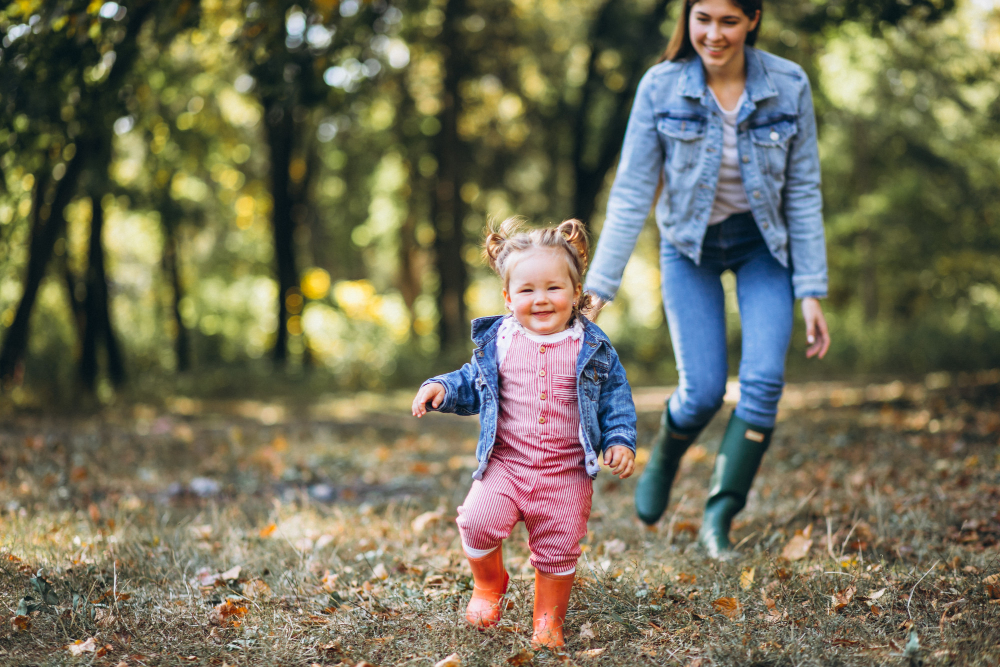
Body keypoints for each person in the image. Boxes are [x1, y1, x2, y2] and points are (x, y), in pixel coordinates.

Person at [583, 0, 831, 559]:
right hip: (687, 248)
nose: (714, 34)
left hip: (763, 248)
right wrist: (601, 285)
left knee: (764, 382)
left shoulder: (788, 85)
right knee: (702, 393)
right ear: (688, 18)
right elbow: (630, 192)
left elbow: (803, 190)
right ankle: (667, 455)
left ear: (753, 20)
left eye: (729, 21)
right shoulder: (660, 86)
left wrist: (811, 289)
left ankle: (720, 516)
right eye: (703, 19)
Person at [412, 218, 637, 648]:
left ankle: (548, 618)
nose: (541, 299)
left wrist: (620, 440)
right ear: (508, 297)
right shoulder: (499, 341)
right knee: (476, 522)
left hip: (565, 472)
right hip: (506, 464)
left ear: (575, 293)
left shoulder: (592, 347)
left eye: (554, 288)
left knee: (559, 546)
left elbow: (615, 398)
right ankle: (488, 584)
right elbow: (472, 381)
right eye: (527, 290)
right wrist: (441, 386)